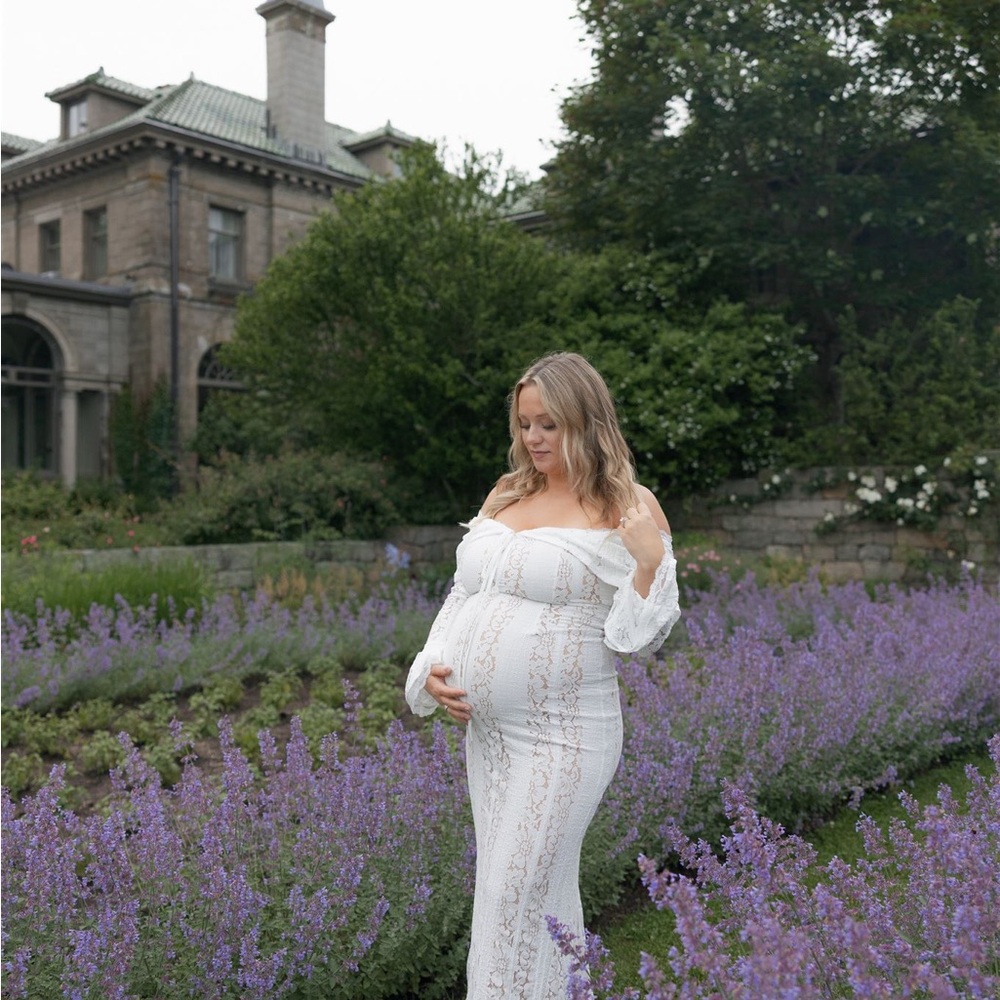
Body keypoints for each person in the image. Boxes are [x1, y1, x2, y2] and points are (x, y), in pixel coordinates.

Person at [405, 352, 681, 999]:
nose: (533, 439)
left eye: (549, 425)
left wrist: (646, 565)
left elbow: (635, 636)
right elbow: (462, 594)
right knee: (538, 890)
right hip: (492, 739)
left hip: (565, 736)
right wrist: (432, 669)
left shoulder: (627, 506)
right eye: (526, 424)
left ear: (587, 423)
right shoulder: (508, 492)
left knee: (510, 888)